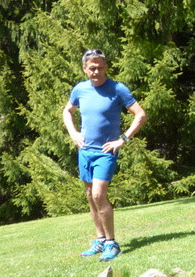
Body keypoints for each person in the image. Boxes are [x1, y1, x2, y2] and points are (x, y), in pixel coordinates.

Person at [63, 49, 147, 261]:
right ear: (85, 69)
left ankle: (112, 243)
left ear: (106, 67)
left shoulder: (117, 89)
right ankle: (100, 239)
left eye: (100, 67)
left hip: (105, 152)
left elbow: (140, 114)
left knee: (100, 194)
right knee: (91, 196)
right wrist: (73, 133)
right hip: (85, 151)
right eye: (92, 68)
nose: (96, 72)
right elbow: (68, 111)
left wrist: (123, 139)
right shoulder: (80, 89)